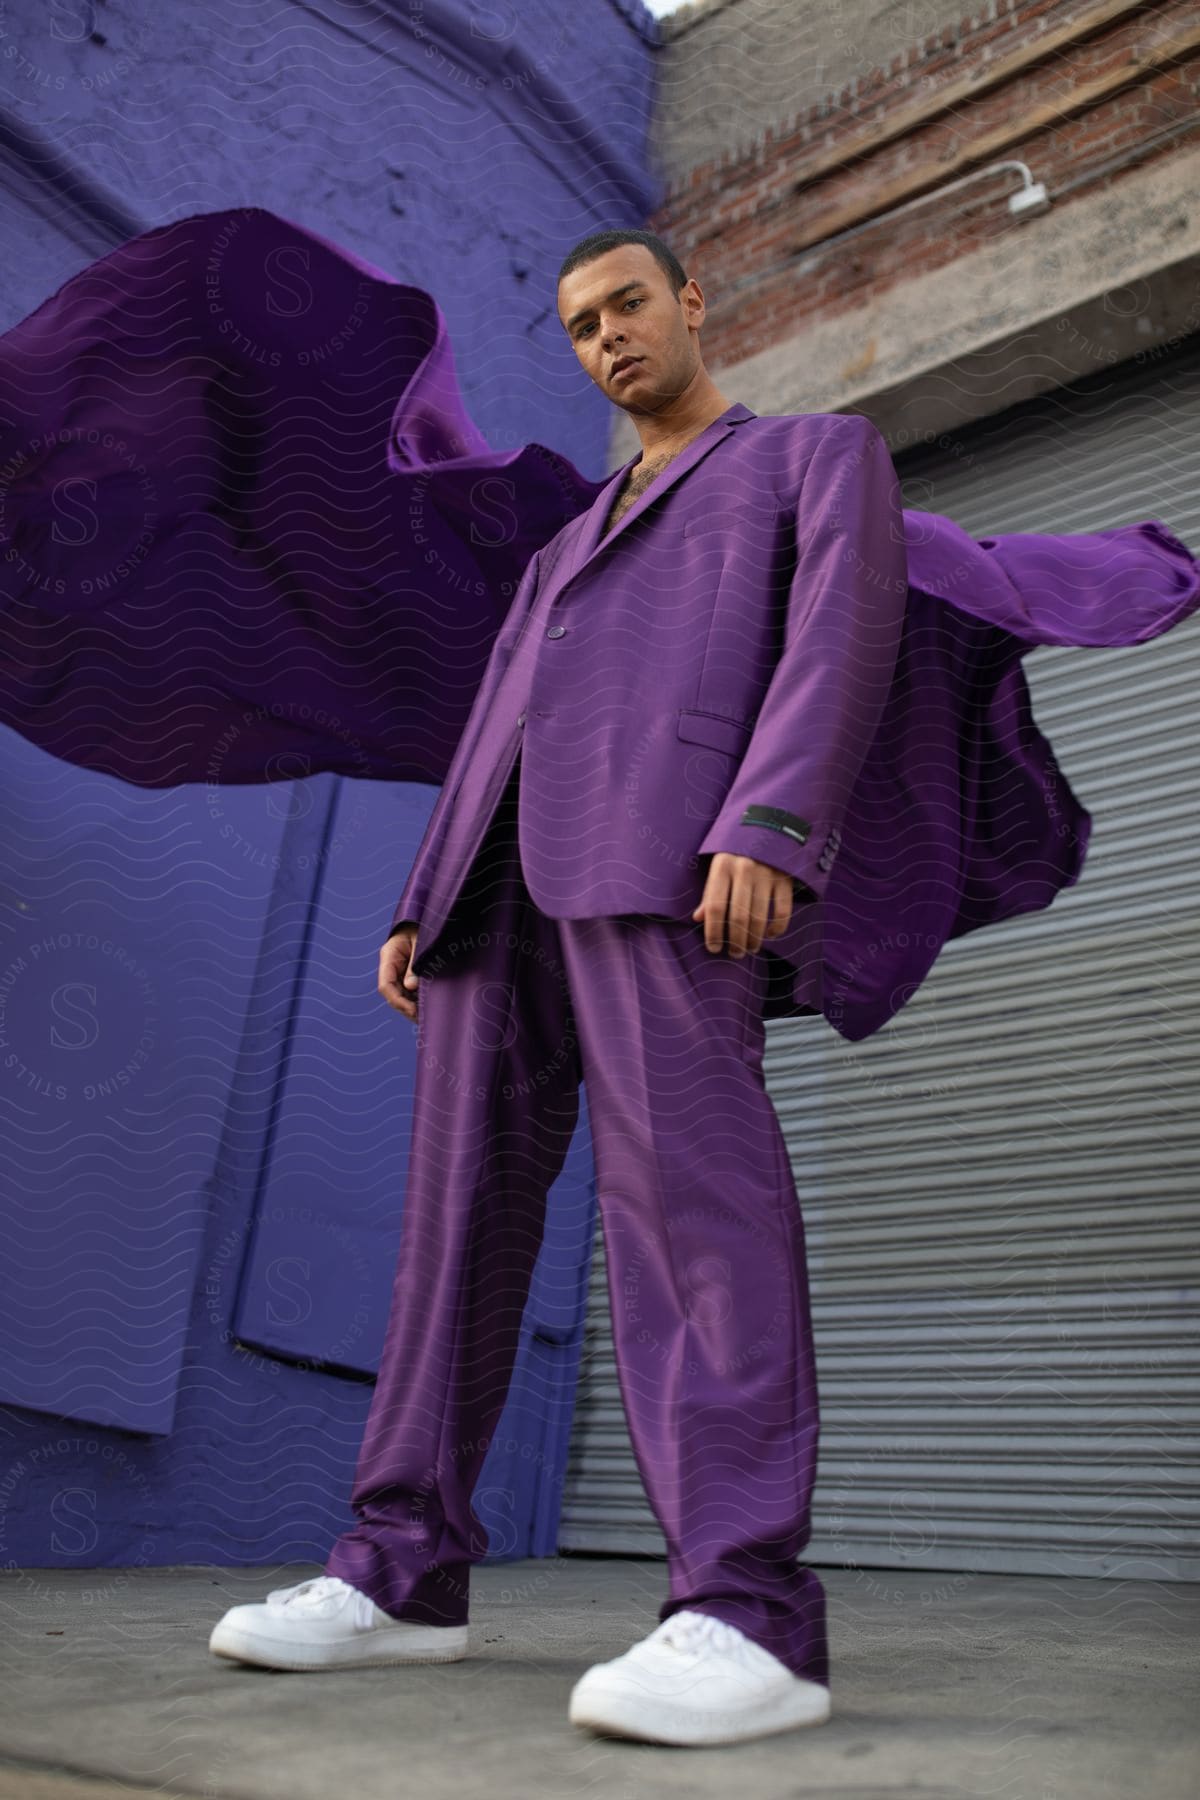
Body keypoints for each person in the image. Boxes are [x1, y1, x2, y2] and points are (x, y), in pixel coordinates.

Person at [207, 227, 913, 1747]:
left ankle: (745, 1608)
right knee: (448, 1239)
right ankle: (399, 1578)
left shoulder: (811, 459)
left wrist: (774, 820)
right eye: (582, 326)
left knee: (692, 1213)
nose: (608, 340)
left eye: (629, 308)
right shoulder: (563, 543)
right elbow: (495, 722)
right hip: (491, 902)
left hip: (670, 868)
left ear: (692, 304)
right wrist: (420, 893)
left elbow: (843, 637)